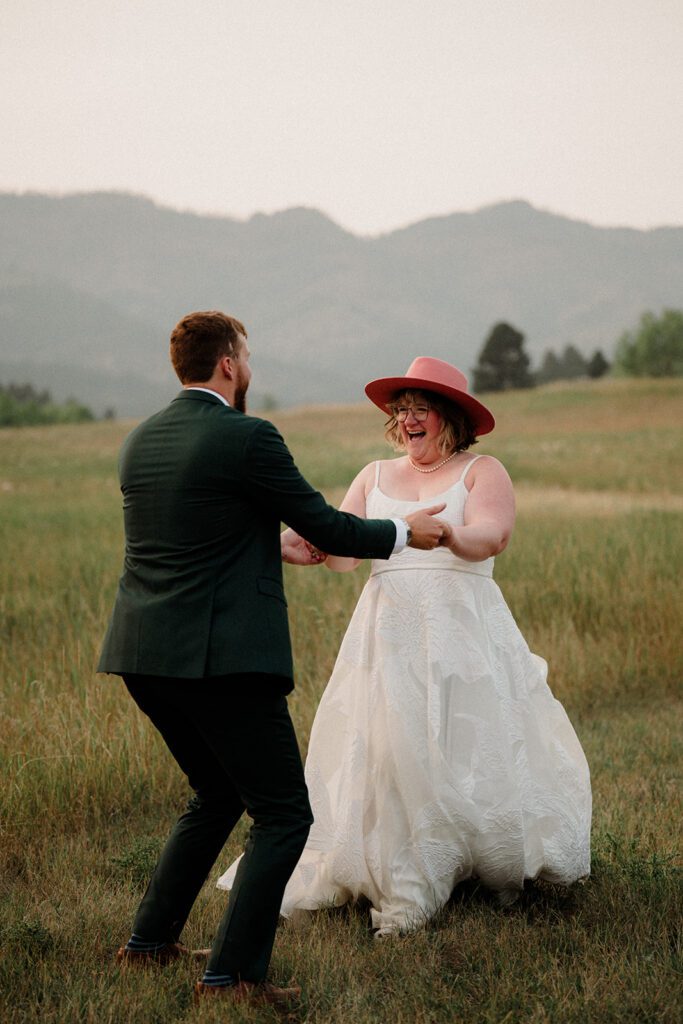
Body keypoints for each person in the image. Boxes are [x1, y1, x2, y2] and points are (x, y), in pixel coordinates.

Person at [97, 313, 447, 1007]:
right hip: (222, 661)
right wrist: (407, 531)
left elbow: (191, 537)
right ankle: (232, 979)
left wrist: (265, 545)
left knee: (217, 793)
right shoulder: (246, 435)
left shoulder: (141, 440)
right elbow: (327, 525)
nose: (248, 369)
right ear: (228, 364)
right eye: (246, 357)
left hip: (142, 655)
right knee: (284, 813)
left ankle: (147, 945)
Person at [218, 356, 592, 936]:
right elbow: (346, 553)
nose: (410, 419)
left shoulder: (481, 470)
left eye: (422, 409)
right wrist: (304, 548)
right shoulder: (373, 475)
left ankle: (465, 857)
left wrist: (450, 534)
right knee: (391, 743)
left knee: (466, 738)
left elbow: (494, 535)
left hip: (462, 626)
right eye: (403, 410)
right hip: (387, 629)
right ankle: (400, 868)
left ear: (450, 417)